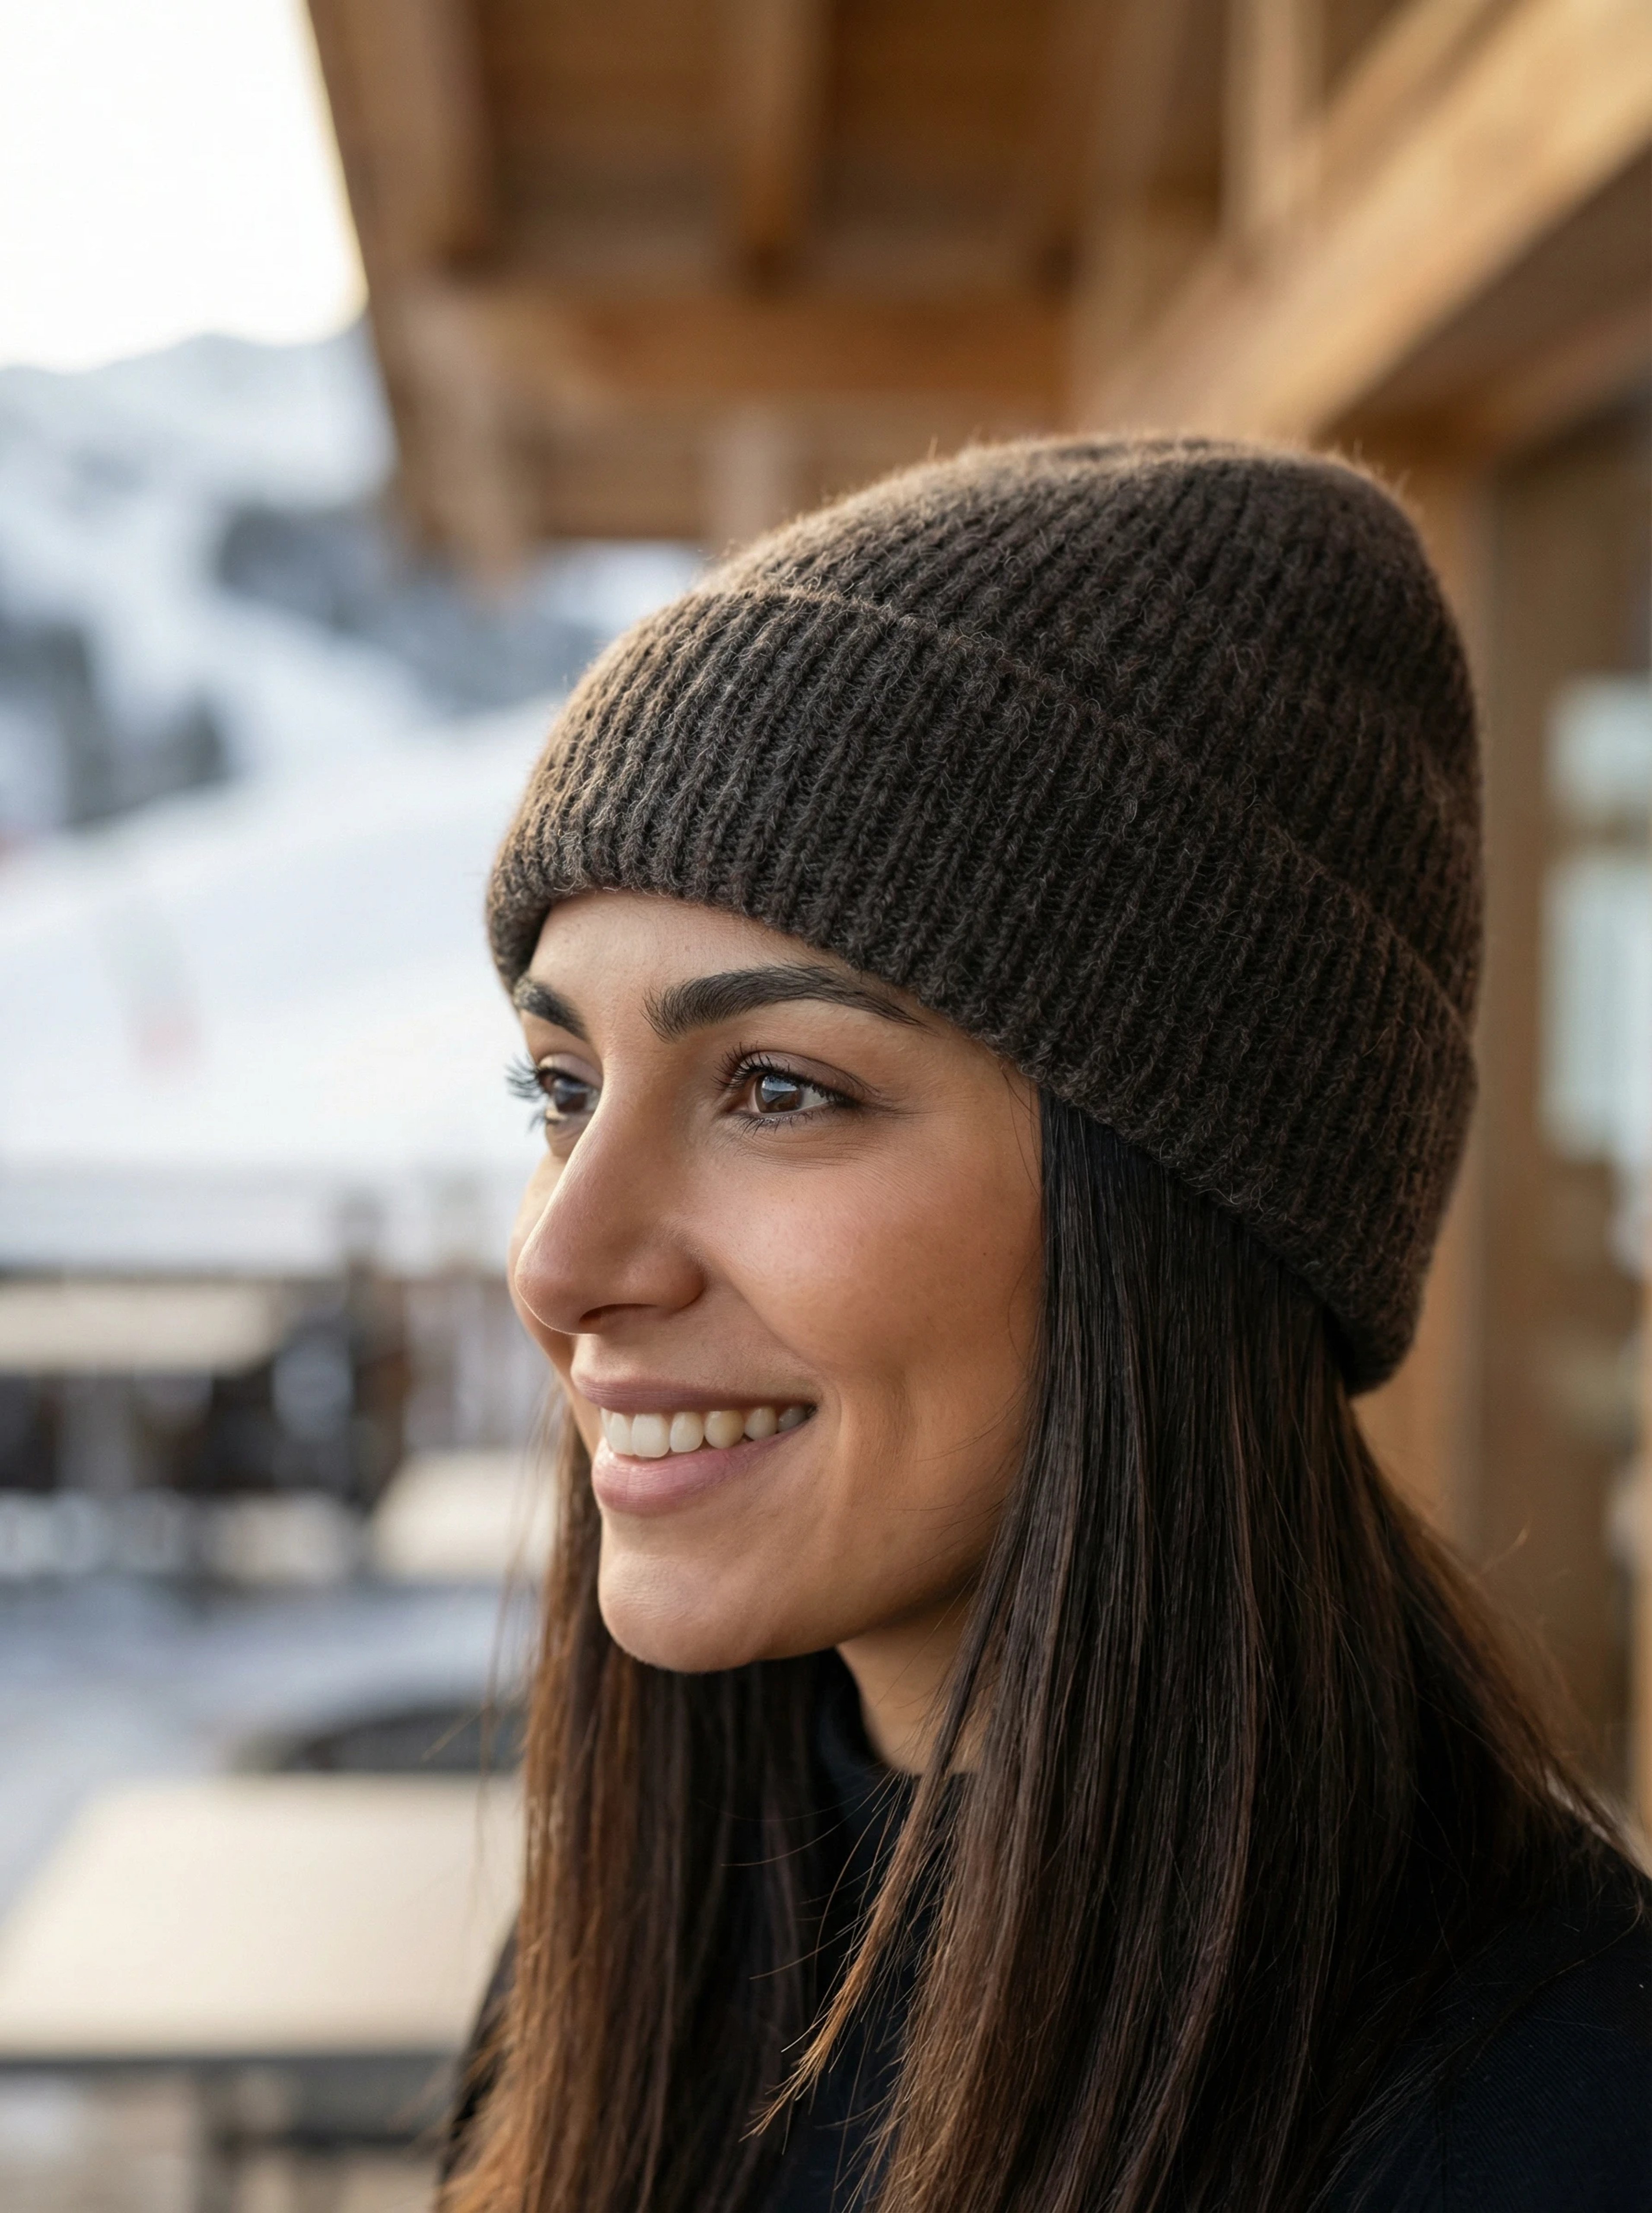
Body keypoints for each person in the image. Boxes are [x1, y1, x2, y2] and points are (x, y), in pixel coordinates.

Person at [442, 438, 1649, 2213]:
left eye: (778, 1087)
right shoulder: (647, 1937)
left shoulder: (1551, 2115)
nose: (559, 1259)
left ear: (1179, 1206)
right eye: (558, 1084)